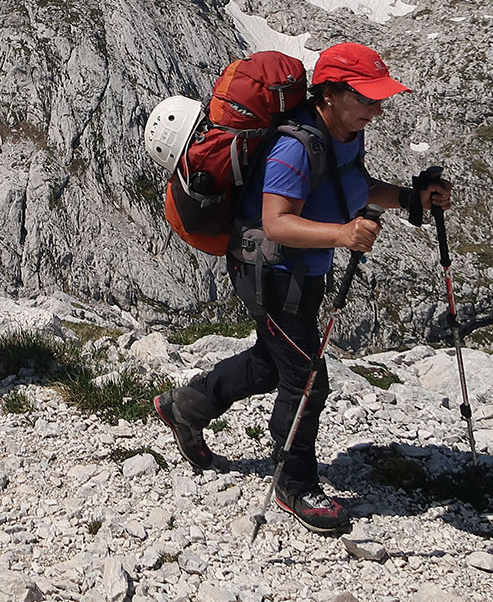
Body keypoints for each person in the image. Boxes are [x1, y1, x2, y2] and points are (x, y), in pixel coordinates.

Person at [154, 42, 453, 534]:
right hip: (271, 273)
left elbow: (350, 186)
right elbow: (276, 222)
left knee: (271, 361)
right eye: (367, 99)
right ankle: (295, 484)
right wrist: (340, 234)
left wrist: (409, 198)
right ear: (332, 94)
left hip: (302, 271)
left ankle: (185, 406)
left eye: (380, 99)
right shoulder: (297, 146)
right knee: (307, 377)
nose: (377, 109)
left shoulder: (344, 134)